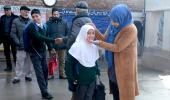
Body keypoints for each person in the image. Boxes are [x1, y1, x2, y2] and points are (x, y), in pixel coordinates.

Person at [93, 4, 139, 100]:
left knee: (124, 95)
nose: (113, 23)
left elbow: (118, 47)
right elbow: (104, 38)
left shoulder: (131, 29)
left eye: (115, 21)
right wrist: (94, 28)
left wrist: (100, 43)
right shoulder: (112, 26)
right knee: (116, 92)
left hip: (125, 69)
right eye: (112, 20)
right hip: (113, 66)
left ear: (122, 18)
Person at [55, 1, 92, 100]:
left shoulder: (77, 20)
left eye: (75, 9)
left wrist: (68, 47)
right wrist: (63, 39)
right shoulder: (89, 20)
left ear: (77, 10)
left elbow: (74, 36)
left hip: (76, 54)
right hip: (85, 53)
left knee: (74, 76)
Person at [27, 9, 59, 99]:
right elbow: (40, 37)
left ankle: (45, 88)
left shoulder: (44, 26)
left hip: (42, 52)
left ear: (40, 16)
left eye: (36, 16)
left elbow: (46, 37)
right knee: (39, 73)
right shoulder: (31, 27)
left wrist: (51, 48)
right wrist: (54, 40)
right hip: (34, 53)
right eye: (33, 17)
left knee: (45, 71)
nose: (35, 18)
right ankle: (44, 92)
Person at [65, 24, 100, 100]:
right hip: (80, 81)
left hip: (92, 80)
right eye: (88, 33)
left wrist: (97, 73)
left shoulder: (93, 46)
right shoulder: (76, 46)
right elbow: (68, 65)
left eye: (93, 33)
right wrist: (71, 79)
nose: (91, 35)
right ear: (83, 33)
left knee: (89, 97)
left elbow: (95, 62)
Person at [10, 6, 33, 84]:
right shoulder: (16, 21)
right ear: (21, 11)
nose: (27, 13)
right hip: (21, 45)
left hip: (30, 46)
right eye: (25, 11)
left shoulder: (31, 21)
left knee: (29, 62)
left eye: (28, 12)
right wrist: (18, 42)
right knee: (19, 62)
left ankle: (28, 75)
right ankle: (17, 77)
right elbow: (13, 33)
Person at [46, 7, 69, 79]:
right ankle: (51, 74)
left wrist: (65, 43)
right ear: (52, 14)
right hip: (53, 46)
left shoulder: (64, 23)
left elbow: (67, 34)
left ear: (59, 14)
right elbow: (47, 36)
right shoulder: (48, 23)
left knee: (62, 61)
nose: (55, 15)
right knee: (52, 61)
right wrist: (50, 47)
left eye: (57, 14)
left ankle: (62, 74)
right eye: (54, 14)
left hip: (62, 46)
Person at [0, 5, 18, 72]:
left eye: (8, 10)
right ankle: (9, 66)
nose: (6, 11)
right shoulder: (2, 17)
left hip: (13, 38)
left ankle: (17, 66)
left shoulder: (15, 18)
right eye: (5, 10)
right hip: (5, 37)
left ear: (10, 10)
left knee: (14, 52)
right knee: (6, 52)